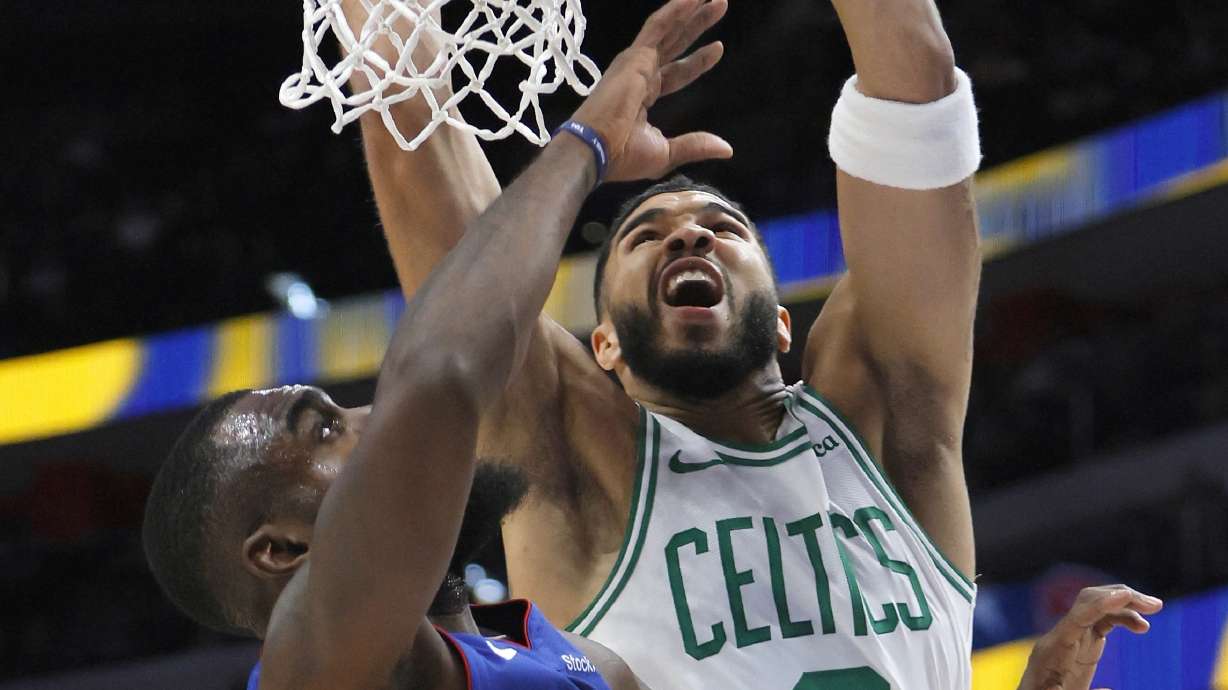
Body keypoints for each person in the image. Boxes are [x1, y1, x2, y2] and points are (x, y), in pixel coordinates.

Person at [369, 0, 986, 687]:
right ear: (605, 348)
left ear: (784, 323)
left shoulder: (889, 421)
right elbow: (429, 179)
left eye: (722, 228)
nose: (690, 236)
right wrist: (585, 141)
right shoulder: (575, 461)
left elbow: (918, 90)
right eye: (643, 236)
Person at [141, 2, 733, 688]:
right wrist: (584, 145)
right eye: (327, 428)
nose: (378, 416)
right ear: (281, 550)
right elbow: (440, 376)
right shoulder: (317, 673)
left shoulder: (564, 653)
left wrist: (396, 45)